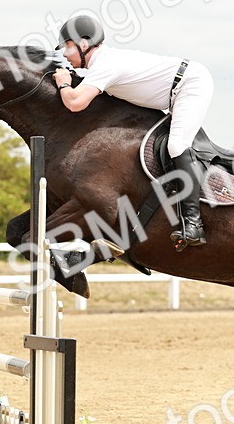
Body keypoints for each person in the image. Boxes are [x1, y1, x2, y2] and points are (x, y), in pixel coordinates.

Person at [52, 15, 212, 249]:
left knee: (177, 145)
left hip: (191, 83)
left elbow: (75, 103)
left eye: (67, 47)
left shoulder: (106, 64)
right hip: (174, 91)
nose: (65, 54)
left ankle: (193, 223)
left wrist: (64, 83)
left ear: (83, 44)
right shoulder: (102, 65)